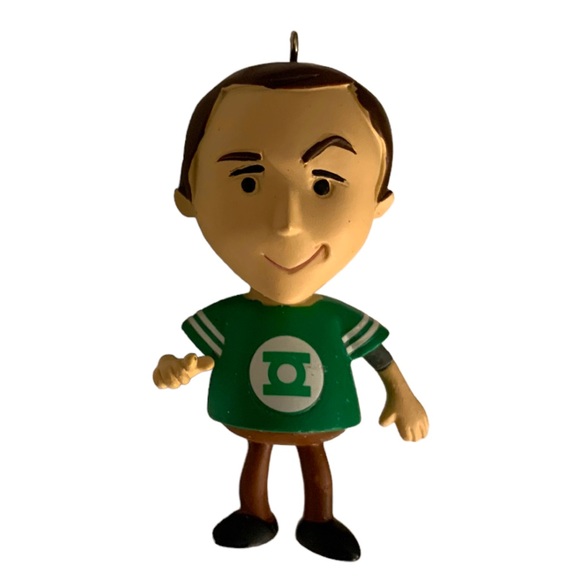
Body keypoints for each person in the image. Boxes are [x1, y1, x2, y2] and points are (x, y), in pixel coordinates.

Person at [153, 39, 429, 562]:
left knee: (312, 453)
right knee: (258, 450)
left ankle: (318, 519)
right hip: (251, 410)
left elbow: (376, 353)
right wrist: (181, 366)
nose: (287, 224)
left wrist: (404, 395)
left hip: (315, 414)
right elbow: (207, 355)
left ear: (380, 201)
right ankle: (254, 514)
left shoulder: (336, 319)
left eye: (324, 185)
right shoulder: (233, 316)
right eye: (248, 182)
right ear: (189, 195)